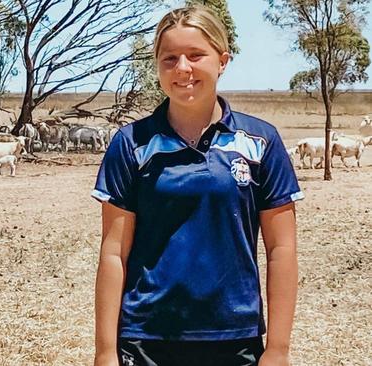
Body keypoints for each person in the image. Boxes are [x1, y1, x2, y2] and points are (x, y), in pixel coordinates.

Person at [92, 5, 303, 366]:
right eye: (170, 58)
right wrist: (106, 351)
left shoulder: (260, 142)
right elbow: (114, 253)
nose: (183, 69)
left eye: (196, 55)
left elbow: (282, 250)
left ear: (222, 61)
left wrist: (278, 351)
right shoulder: (132, 144)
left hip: (234, 337)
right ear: (157, 66)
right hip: (147, 338)